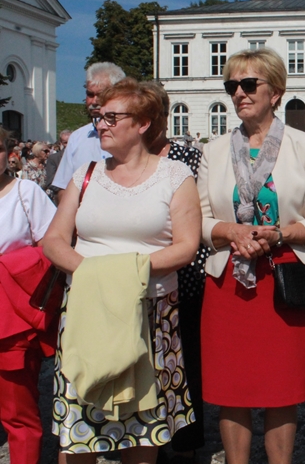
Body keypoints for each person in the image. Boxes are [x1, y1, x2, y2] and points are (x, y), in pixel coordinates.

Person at [42, 78, 201, 463]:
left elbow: (186, 246)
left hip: (150, 313)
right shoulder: (85, 174)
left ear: (143, 123)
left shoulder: (175, 175)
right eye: (99, 116)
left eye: (112, 117)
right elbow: (54, 240)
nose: (101, 124)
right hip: (87, 309)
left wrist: (128, 272)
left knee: (143, 432)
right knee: (78, 430)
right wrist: (96, 274)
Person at [196, 48, 305, 464]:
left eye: (248, 84)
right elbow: (198, 219)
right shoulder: (214, 150)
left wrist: (282, 234)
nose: (238, 93)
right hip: (228, 279)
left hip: (284, 278)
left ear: (275, 92)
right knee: (229, 388)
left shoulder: (302, 145)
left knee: (281, 387)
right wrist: (231, 231)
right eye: (232, 86)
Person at [142, 82, 210, 463]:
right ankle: (145, 438)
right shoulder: (123, 161)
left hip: (185, 275)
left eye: (154, 115)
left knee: (185, 361)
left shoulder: (187, 158)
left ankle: (187, 441)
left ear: (165, 117)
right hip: (136, 278)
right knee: (141, 362)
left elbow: (200, 212)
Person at [0, 126, 57, 464]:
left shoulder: (26, 193)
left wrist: (11, 267)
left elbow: (53, 248)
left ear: (9, 154)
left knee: (18, 414)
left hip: (13, 321)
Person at [51, 63, 126, 201]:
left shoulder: (132, 135)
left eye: (101, 95)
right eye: (90, 94)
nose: (94, 101)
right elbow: (63, 188)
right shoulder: (77, 138)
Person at [44, 130, 72, 198]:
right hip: (62, 196)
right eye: (65, 142)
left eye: (71, 141)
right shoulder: (54, 158)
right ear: (61, 143)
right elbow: (50, 182)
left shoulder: (81, 156)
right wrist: (67, 191)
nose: (69, 144)